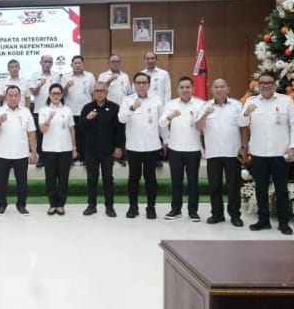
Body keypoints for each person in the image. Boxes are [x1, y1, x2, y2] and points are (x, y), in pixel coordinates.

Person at [242, 73, 294, 234]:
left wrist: (293, 147)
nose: (266, 85)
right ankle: (263, 221)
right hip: (259, 153)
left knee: (281, 190)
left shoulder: (286, 101)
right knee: (260, 189)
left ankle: (283, 223)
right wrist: (246, 113)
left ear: (275, 85)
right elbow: (241, 123)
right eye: (262, 83)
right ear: (258, 85)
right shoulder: (251, 101)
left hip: (280, 153)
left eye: (269, 82)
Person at [195, 78, 249, 226]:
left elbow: (244, 126)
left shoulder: (237, 105)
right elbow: (198, 127)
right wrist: (205, 114)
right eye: (216, 87)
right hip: (213, 153)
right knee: (214, 186)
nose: (219, 89)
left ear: (228, 89)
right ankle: (217, 214)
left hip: (233, 152)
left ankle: (235, 215)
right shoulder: (204, 106)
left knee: (233, 186)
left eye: (222, 86)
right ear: (211, 90)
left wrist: (244, 146)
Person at [161, 76, 205, 221]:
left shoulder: (200, 104)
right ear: (177, 89)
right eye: (182, 87)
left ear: (193, 89)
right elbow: (161, 124)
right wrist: (169, 117)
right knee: (176, 182)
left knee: (193, 182)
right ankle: (176, 210)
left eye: (188, 87)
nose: (185, 90)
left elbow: (204, 126)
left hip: (193, 149)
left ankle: (193, 211)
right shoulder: (171, 104)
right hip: (175, 149)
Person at [119, 73, 163, 218]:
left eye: (144, 82)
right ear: (134, 85)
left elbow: (162, 122)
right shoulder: (127, 100)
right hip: (134, 146)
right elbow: (121, 119)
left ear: (149, 84)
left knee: (151, 178)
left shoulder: (156, 100)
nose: (141, 85)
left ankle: (151, 207)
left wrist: (166, 140)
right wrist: (132, 108)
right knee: (134, 178)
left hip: (152, 146)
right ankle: (133, 207)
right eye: (138, 83)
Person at [0, 84, 37, 213]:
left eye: (16, 95)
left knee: (22, 182)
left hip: (21, 153)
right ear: (6, 97)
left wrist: (33, 152)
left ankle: (21, 205)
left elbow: (31, 133)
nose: (13, 98)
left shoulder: (26, 112)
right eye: (10, 95)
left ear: (20, 97)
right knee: (1, 182)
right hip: (2, 153)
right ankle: (1, 205)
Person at [80, 83, 124, 216]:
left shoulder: (114, 108)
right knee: (91, 179)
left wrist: (119, 147)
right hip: (91, 150)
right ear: (93, 93)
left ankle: (109, 206)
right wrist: (87, 118)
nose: (99, 93)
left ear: (107, 92)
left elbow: (119, 129)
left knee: (108, 179)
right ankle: (91, 205)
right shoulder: (87, 108)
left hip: (108, 150)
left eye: (102, 91)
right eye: (97, 91)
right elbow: (80, 129)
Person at [39, 84, 77, 214]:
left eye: (58, 93)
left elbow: (72, 130)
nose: (55, 95)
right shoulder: (43, 110)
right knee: (50, 178)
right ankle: (52, 204)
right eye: (53, 93)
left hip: (65, 149)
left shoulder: (67, 110)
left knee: (63, 178)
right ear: (49, 95)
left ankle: (61, 204)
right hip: (49, 149)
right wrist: (49, 118)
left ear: (61, 95)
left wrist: (74, 148)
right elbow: (43, 130)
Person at [61, 56, 96, 160]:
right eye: (75, 63)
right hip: (70, 111)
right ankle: (72, 157)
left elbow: (93, 93)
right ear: (71, 65)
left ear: (83, 64)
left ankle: (85, 158)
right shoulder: (66, 77)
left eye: (79, 63)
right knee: (71, 135)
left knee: (86, 135)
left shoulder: (90, 76)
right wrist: (66, 86)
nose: (77, 65)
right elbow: (61, 94)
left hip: (86, 112)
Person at [30, 54, 60, 165]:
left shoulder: (57, 76)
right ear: (41, 63)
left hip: (54, 110)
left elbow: (60, 92)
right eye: (45, 62)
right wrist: (40, 84)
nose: (47, 64)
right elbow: (33, 92)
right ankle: (41, 157)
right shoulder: (35, 75)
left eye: (50, 62)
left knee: (54, 133)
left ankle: (53, 157)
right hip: (39, 110)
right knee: (40, 135)